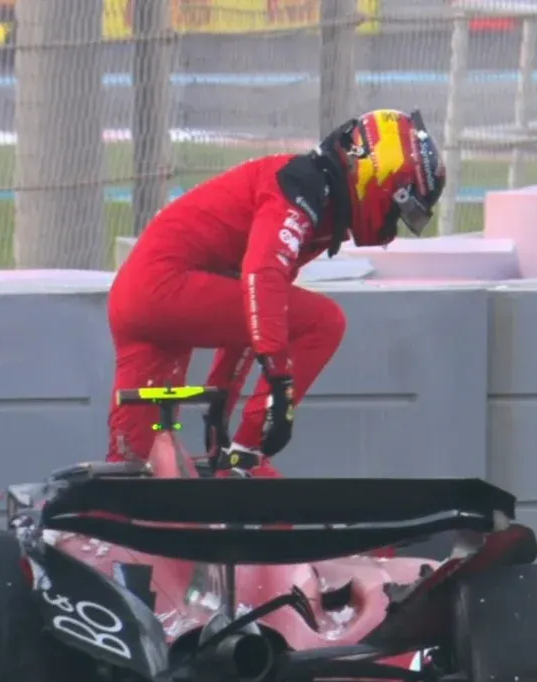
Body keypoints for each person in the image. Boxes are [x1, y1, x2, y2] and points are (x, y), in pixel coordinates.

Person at [105, 108, 446, 475]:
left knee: (135, 464)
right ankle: (245, 459)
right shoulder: (302, 188)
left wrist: (221, 403)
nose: (392, 229)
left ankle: (82, 525)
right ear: (379, 181)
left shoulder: (311, 193)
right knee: (324, 321)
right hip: (165, 288)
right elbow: (261, 280)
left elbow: (251, 305)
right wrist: (277, 393)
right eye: (401, 211)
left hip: (142, 295)